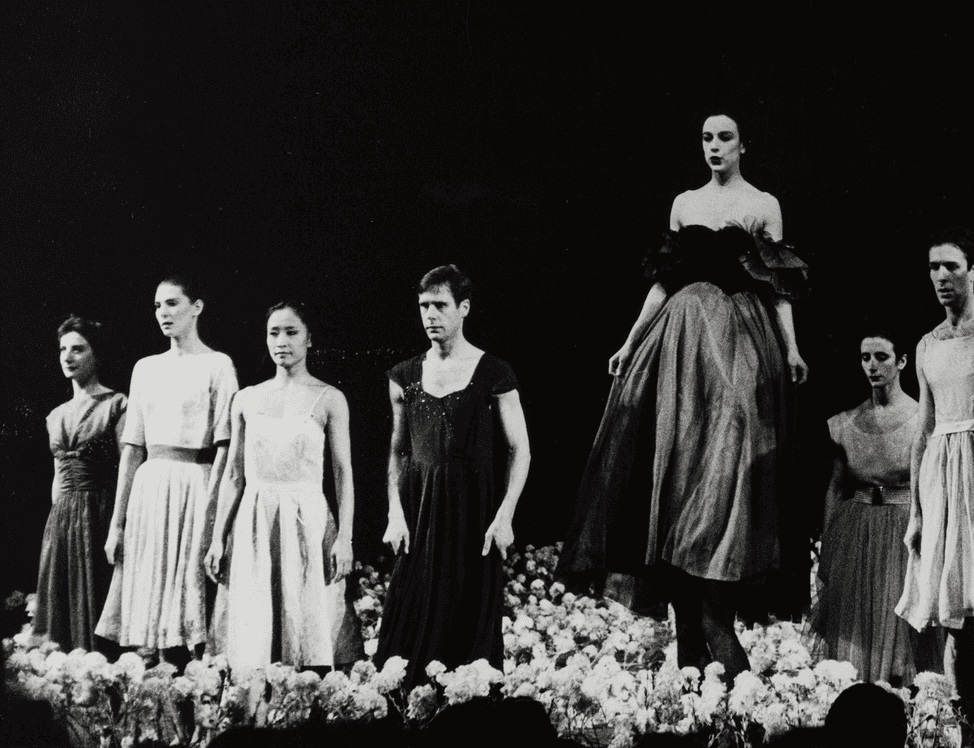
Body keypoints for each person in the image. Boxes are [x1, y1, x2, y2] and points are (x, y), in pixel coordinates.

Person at [559, 113, 810, 678]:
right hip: (680, 337)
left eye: (724, 137)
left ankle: (718, 563)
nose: (714, 146)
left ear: (744, 144)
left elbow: (778, 289)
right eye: (706, 138)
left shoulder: (763, 204)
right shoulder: (684, 203)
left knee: (730, 442)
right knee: (674, 446)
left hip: (741, 335)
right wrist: (630, 342)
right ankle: (688, 617)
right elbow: (663, 283)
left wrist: (791, 349)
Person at [376, 264, 532, 672]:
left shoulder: (494, 372)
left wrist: (505, 515)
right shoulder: (404, 376)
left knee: (468, 626)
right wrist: (395, 513)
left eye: (440, 305)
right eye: (424, 306)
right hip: (420, 512)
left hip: (474, 516)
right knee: (406, 631)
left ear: (463, 308)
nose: (430, 315)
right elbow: (397, 451)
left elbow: (520, 450)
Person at [205, 302, 356, 676]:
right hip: (256, 519)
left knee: (308, 622)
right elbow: (234, 476)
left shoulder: (330, 398)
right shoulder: (246, 398)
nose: (281, 341)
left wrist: (346, 538)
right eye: (274, 333)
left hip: (307, 519)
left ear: (308, 339)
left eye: (291, 332)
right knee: (255, 631)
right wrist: (217, 538)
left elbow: (342, 473)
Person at [895, 228, 974, 739]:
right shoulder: (925, 344)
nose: (941, 277)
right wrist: (917, 510)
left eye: (952, 267)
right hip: (946, 479)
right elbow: (923, 430)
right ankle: (967, 733)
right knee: (957, 616)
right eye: (934, 267)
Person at [97, 276, 238, 661]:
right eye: (158, 306)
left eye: (173, 304)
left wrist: (212, 510)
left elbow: (226, 446)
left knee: (190, 603)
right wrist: (117, 524)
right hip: (150, 490)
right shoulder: (145, 368)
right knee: (150, 603)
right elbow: (132, 449)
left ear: (197, 307)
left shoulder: (218, 364)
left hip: (196, 484)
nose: (164, 313)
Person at [811, 329, 941, 686]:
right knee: (858, 634)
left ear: (901, 362)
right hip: (858, 532)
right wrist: (829, 547)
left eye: (881, 357)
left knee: (903, 637)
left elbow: (932, 488)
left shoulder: (922, 420)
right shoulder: (846, 424)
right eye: (866, 357)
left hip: (903, 532)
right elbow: (836, 489)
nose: (872, 365)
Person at [33, 316, 128, 652]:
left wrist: (119, 524)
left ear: (95, 354)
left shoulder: (117, 405)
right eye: (63, 349)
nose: (68, 356)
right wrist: (54, 527)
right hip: (62, 520)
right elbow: (58, 477)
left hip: (100, 513)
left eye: (78, 349)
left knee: (98, 603)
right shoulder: (55, 415)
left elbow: (128, 469)